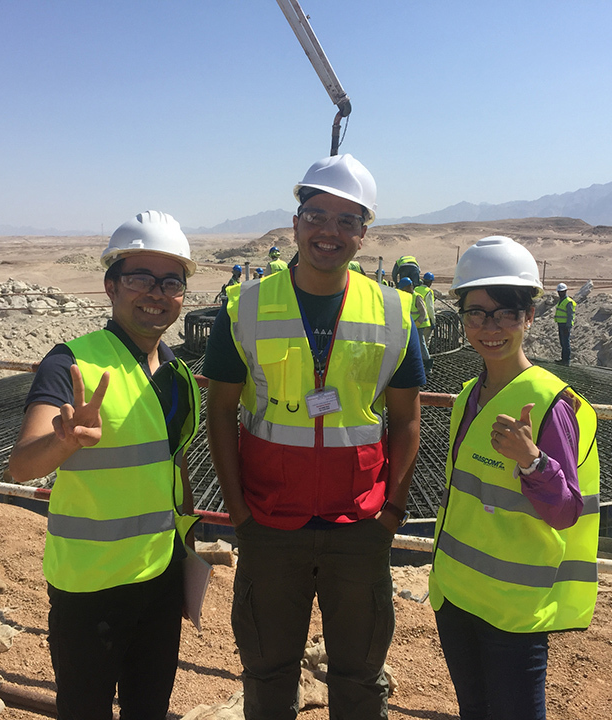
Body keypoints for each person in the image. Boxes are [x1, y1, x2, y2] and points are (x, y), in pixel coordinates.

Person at [203, 153, 425, 720]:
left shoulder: (395, 313)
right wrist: (237, 511)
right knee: (269, 673)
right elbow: (221, 411)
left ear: (363, 232)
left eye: (346, 220)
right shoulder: (245, 307)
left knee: (359, 677)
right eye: (317, 215)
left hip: (360, 525)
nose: (330, 231)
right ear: (296, 222)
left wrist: (393, 510)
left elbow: (405, 419)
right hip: (270, 524)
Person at [8, 210, 202, 720]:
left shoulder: (179, 374)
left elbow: (173, 465)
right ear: (111, 287)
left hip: (159, 575)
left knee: (149, 706)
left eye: (170, 281)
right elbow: (21, 466)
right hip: (90, 584)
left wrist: (189, 550)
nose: (156, 293)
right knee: (85, 709)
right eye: (140, 278)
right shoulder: (71, 363)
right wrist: (65, 441)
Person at [426, 235, 600, 720]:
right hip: (455, 595)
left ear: (529, 317)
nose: (489, 326)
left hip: (512, 611)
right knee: (474, 710)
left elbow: (567, 511)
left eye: (506, 313)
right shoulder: (468, 396)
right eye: (476, 312)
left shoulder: (550, 404)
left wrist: (533, 463)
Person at [397, 277, 431, 376]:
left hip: (420, 325)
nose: (403, 291)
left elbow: (423, 313)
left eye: (404, 288)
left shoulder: (417, 297)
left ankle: (428, 365)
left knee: (421, 344)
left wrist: (417, 324)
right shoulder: (405, 297)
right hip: (410, 325)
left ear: (409, 287)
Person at [414, 271, 436, 372]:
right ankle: (427, 365)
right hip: (425, 322)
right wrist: (433, 321)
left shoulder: (416, 289)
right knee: (424, 344)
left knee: (418, 343)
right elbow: (430, 308)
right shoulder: (428, 291)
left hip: (415, 322)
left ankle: (420, 363)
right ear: (430, 282)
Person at [554, 282, 576, 365]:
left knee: (566, 343)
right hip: (560, 324)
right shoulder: (561, 301)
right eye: (559, 292)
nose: (560, 293)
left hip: (565, 325)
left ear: (565, 291)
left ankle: (566, 361)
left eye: (562, 292)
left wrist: (568, 326)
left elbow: (570, 315)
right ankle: (563, 359)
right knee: (562, 342)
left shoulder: (568, 302)